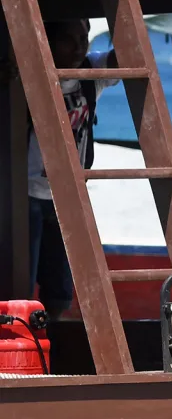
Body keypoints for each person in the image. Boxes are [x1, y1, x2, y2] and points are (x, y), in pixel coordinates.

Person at [27, 20, 118, 320]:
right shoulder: (27, 75)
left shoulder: (89, 75)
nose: (80, 47)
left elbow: (126, 57)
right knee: (19, 282)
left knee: (60, 287)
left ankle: (51, 348)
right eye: (69, 39)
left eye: (84, 38)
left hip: (66, 196)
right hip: (25, 192)